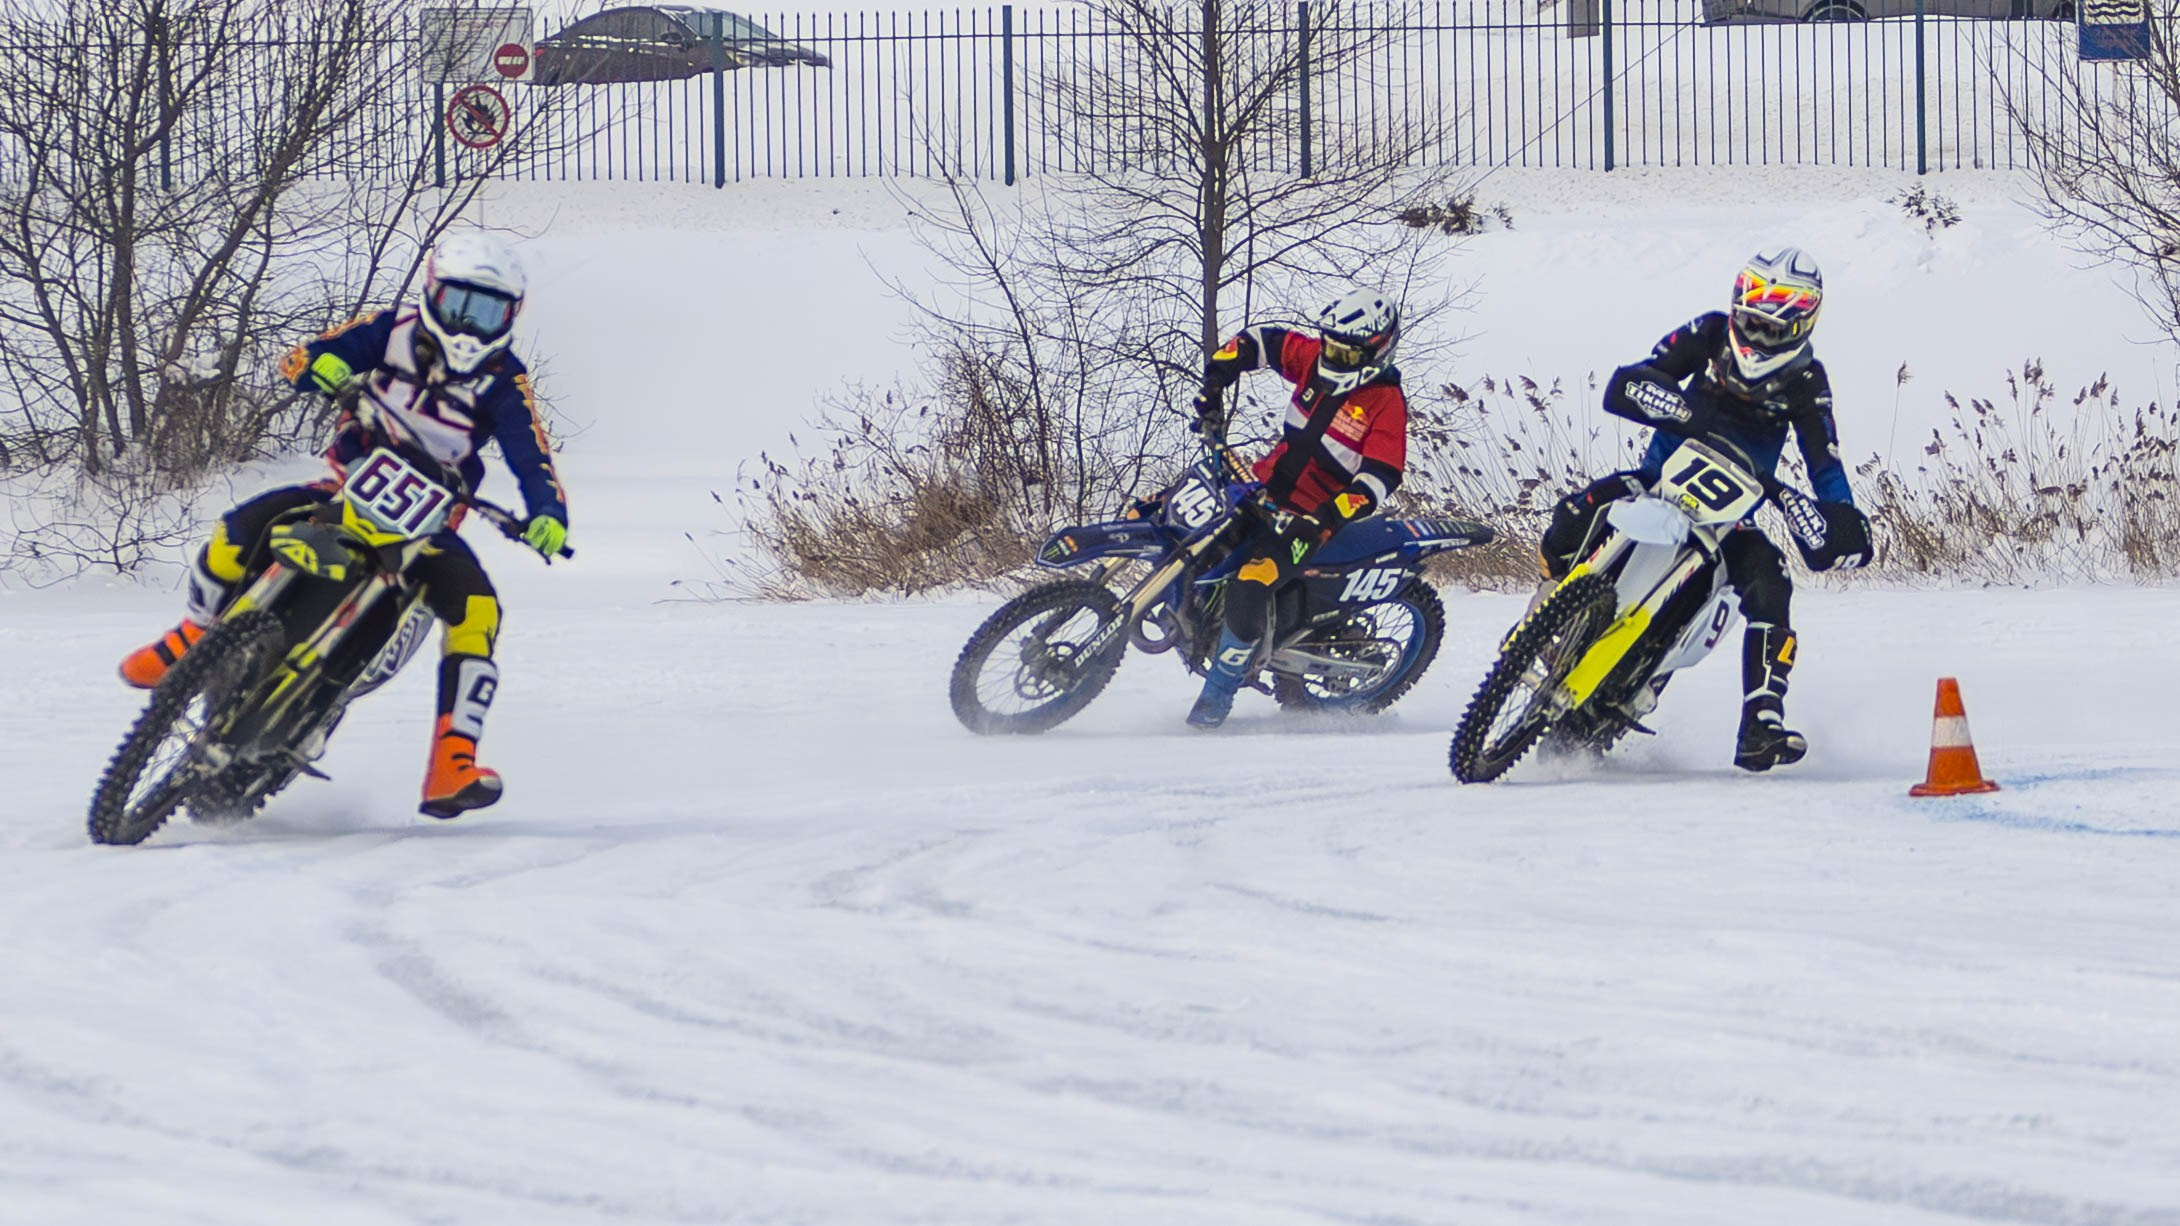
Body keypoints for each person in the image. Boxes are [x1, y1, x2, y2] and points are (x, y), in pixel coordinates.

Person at [118, 233, 570, 818]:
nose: (469, 325)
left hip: (427, 523)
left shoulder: (505, 379)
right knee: (238, 529)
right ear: (433, 291)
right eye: (460, 304)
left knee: (479, 610)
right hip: (344, 488)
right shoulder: (390, 329)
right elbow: (302, 356)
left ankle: (450, 762)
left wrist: (548, 515)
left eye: (487, 313)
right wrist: (320, 366)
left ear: (510, 316)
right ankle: (190, 637)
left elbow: (530, 451)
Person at [1537, 246, 1870, 772]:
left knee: (1772, 579)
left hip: (1729, 518)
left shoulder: (1809, 382)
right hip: (1655, 483)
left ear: (1803, 322)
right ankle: (1549, 606)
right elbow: (1634, 378)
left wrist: (1841, 521)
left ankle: (1762, 720)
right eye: (1753, 320)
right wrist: (1676, 405)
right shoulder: (1710, 332)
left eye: (1773, 327)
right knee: (1575, 511)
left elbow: (1826, 464)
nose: (1758, 336)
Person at [1185, 288, 1409, 729]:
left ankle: (1214, 702)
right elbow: (1261, 342)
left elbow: (1380, 478)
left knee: (1251, 582)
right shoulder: (1313, 358)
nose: (1333, 356)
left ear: (1377, 350)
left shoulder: (1386, 404)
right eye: (1330, 344)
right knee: (1176, 521)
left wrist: (1327, 516)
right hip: (1261, 486)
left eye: (1346, 352)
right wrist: (1217, 379)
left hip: (1312, 520)